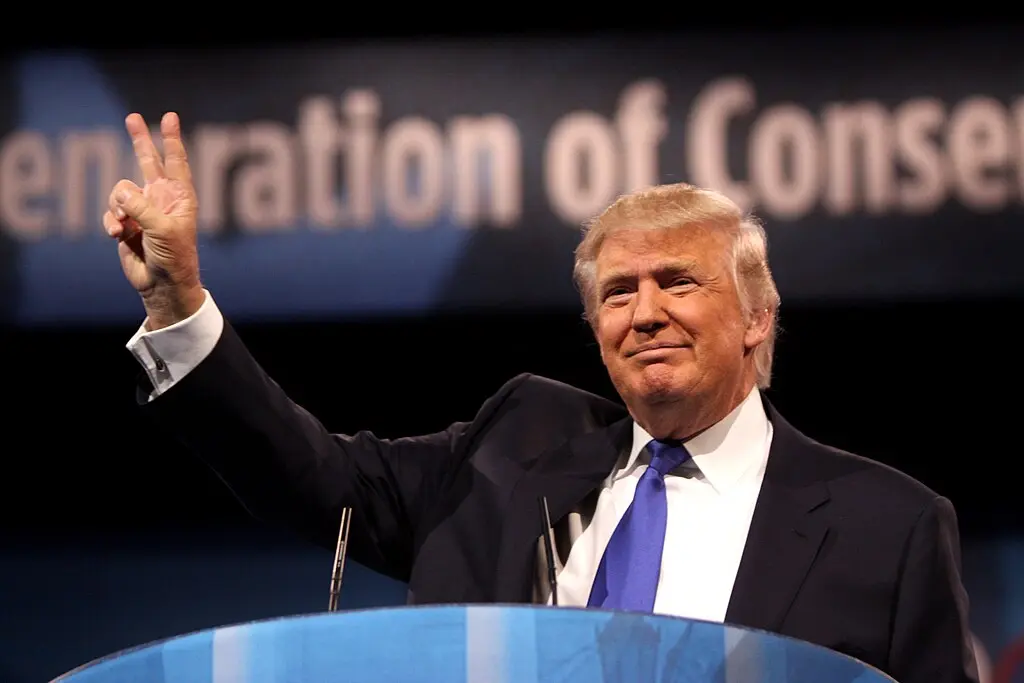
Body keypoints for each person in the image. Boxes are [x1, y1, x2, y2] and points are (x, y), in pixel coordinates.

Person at [103, 112, 979, 683]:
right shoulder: (515, 445)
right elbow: (315, 476)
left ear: (757, 316)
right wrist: (179, 307)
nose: (644, 313)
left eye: (677, 281)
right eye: (617, 292)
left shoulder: (889, 526)